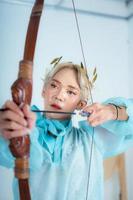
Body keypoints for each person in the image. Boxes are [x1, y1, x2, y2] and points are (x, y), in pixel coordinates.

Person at [0, 61, 133, 200]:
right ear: (44, 90)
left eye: (70, 92)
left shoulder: (91, 139)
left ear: (81, 104)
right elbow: (9, 154)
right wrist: (9, 127)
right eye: (53, 85)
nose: (59, 95)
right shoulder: (28, 132)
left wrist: (113, 111)